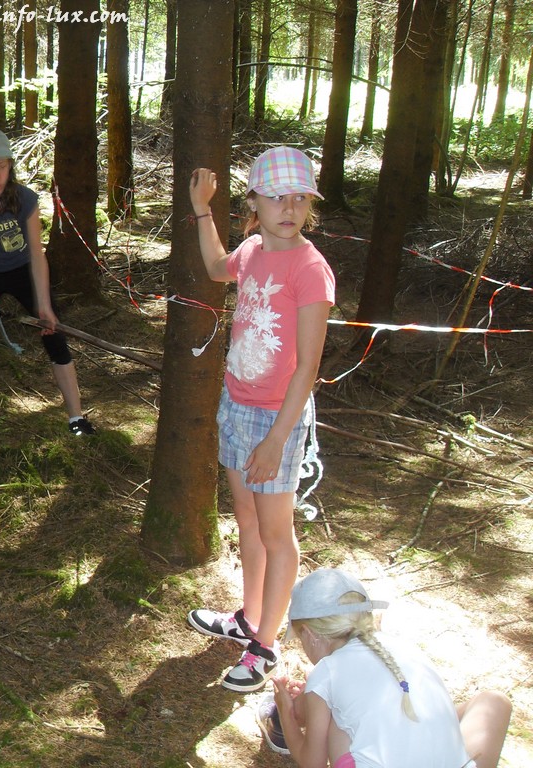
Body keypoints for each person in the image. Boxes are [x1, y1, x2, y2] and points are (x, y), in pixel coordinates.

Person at [186, 147, 335, 692]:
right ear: (255, 201)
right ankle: (249, 618)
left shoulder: (311, 269)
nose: (289, 208)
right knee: (246, 519)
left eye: (299, 198)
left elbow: (308, 368)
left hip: (279, 417)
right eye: (276, 197)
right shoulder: (251, 251)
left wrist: (277, 440)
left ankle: (266, 645)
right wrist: (202, 210)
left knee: (276, 532)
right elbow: (213, 266)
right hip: (236, 403)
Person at [263, 567, 511, 767]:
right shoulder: (403, 647)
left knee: (339, 722)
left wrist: (286, 711)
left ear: (310, 634)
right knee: (493, 701)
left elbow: (312, 762)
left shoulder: (326, 673)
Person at [0, 126, 95, 437]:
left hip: (24, 269)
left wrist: (43, 304)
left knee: (54, 335)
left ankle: (76, 418)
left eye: (2, 166)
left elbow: (38, 254)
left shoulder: (25, 199)